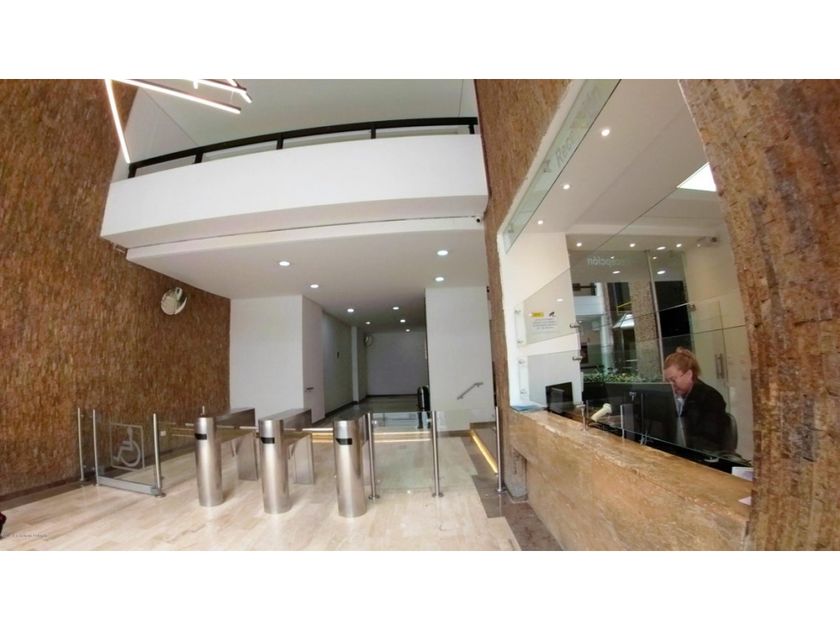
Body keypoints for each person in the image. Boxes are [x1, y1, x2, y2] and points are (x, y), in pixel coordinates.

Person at [662, 347, 732, 454]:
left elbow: (707, 440)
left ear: (689, 374)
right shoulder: (672, 397)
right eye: (667, 381)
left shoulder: (711, 397)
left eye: (673, 380)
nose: (671, 385)